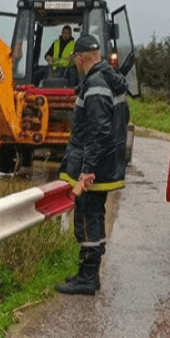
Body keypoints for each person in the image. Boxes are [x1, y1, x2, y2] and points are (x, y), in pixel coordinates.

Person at [56, 34, 130, 295]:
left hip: (95, 168)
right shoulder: (108, 79)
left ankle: (87, 277)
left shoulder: (96, 83)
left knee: (87, 218)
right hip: (106, 165)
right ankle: (90, 274)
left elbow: (97, 131)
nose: (75, 63)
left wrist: (86, 170)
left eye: (76, 58)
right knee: (95, 216)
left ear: (82, 57)